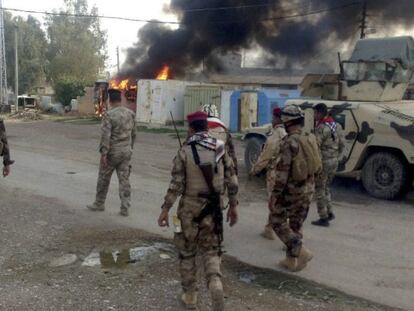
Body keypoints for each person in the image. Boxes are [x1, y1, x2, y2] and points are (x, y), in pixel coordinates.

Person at [158, 111, 238, 311]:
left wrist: (165, 209)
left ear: (191, 128)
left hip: (189, 210)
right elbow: (232, 178)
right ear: (207, 127)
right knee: (211, 249)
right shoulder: (220, 147)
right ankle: (215, 283)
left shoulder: (185, 150)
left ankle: (190, 296)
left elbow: (176, 184)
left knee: (187, 252)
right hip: (214, 208)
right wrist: (233, 206)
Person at [269, 105, 321, 272]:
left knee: (276, 220)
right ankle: (290, 261)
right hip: (309, 188)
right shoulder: (309, 138)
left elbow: (282, 174)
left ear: (287, 122)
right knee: (296, 224)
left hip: (293, 189)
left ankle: (301, 250)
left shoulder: (289, 142)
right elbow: (317, 166)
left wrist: (275, 195)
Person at [87, 89, 136, 216]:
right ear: (121, 100)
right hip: (126, 151)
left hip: (112, 153)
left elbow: (106, 136)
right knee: (124, 180)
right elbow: (134, 134)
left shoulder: (109, 115)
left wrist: (104, 153)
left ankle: (99, 203)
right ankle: (125, 207)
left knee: (103, 178)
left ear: (110, 100)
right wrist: (130, 148)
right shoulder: (130, 113)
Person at [250, 107, 287, 240]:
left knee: (274, 201)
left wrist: (255, 169)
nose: (272, 120)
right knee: (280, 201)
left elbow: (266, 156)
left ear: (277, 118)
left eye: (273, 117)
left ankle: (282, 233)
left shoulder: (276, 135)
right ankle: (269, 228)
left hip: (275, 172)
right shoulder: (288, 133)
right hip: (286, 173)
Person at [311, 103, 345, 227]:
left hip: (324, 162)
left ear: (320, 113)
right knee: (326, 187)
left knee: (319, 189)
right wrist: (337, 157)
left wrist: (314, 163)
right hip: (334, 161)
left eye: (315, 113)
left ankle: (323, 217)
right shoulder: (337, 125)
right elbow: (342, 144)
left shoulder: (321, 128)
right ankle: (330, 212)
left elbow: (315, 146)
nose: (314, 115)